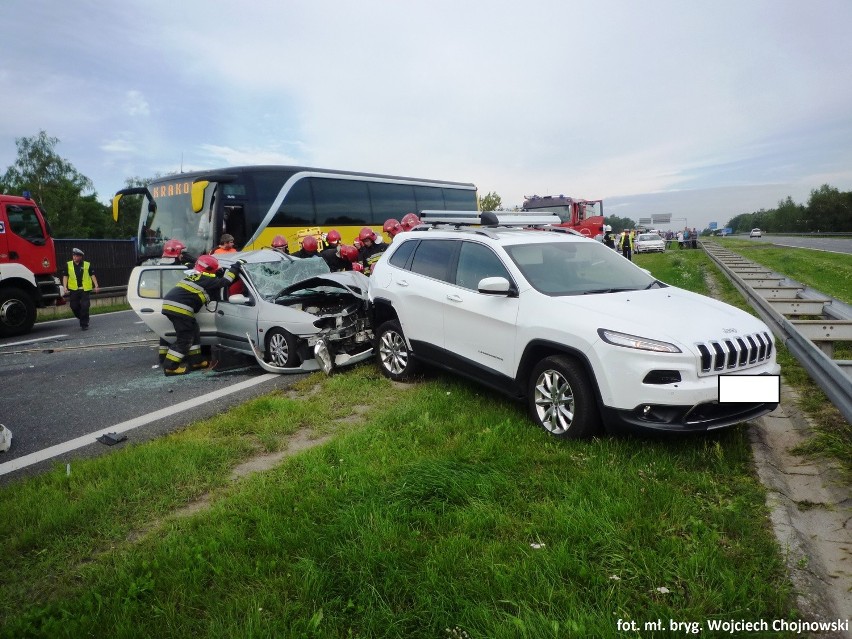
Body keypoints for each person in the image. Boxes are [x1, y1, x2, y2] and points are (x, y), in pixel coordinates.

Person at [161, 255, 243, 376]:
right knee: (185, 339)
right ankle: (170, 367)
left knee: (194, 330)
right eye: (216, 269)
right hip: (180, 308)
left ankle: (196, 361)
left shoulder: (197, 276)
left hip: (173, 306)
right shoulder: (208, 280)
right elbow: (226, 281)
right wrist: (236, 267)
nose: (218, 270)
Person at [157, 240, 196, 363]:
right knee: (187, 332)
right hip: (177, 304)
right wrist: (192, 263)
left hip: (162, 301)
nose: (183, 254)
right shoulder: (176, 268)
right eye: (182, 252)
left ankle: (163, 356)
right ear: (177, 252)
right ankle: (177, 361)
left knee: (165, 330)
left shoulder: (161, 264)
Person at [62, 248, 100, 330]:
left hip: (85, 289)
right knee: (74, 306)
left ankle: (84, 324)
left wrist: (96, 285)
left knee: (85, 306)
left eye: (76, 256)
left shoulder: (87, 264)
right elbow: (65, 276)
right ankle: (84, 318)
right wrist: (65, 287)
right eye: (73, 255)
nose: (74, 257)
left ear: (80, 257)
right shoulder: (68, 264)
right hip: (73, 289)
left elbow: (92, 275)